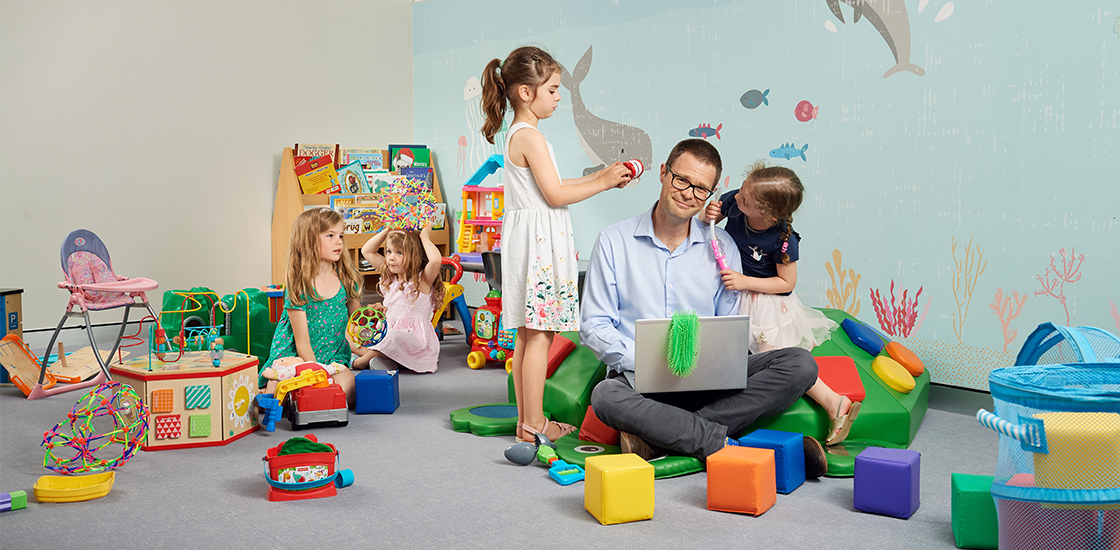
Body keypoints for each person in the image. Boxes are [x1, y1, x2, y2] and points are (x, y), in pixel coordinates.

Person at [581, 139, 826, 475]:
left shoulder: (721, 246)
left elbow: (729, 327)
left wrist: (712, 364)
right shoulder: (613, 241)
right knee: (606, 396)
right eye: (682, 180)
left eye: (701, 189)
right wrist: (648, 363)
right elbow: (594, 325)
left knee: (800, 364)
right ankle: (728, 443)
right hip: (638, 381)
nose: (688, 194)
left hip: (707, 385)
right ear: (664, 173)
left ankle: (661, 439)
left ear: (711, 195)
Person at [480, 45, 633, 444]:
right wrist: (601, 182)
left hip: (530, 236)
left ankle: (527, 421)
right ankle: (534, 424)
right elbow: (555, 195)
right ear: (525, 92)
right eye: (551, 89)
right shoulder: (529, 135)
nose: (558, 96)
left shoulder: (522, 134)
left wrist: (603, 176)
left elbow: (557, 187)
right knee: (539, 334)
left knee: (529, 335)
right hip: (538, 240)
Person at [703, 161, 856, 446]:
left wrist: (746, 282)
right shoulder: (738, 200)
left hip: (764, 301)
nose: (735, 198)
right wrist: (707, 213)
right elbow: (707, 220)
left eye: (745, 200)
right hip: (734, 290)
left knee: (770, 353)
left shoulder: (783, 240)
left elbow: (786, 284)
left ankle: (834, 401)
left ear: (769, 214)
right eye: (741, 191)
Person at [261, 207, 363, 406]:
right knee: (281, 395)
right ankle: (265, 391)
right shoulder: (300, 286)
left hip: (333, 359)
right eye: (330, 235)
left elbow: (356, 325)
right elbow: (302, 344)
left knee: (347, 393)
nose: (339, 241)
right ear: (308, 241)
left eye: (340, 235)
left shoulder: (346, 278)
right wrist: (318, 373)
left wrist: (371, 329)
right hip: (298, 358)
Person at [355, 221, 444, 373]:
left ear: (414, 255)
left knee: (393, 337)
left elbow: (435, 260)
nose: (390, 258)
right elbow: (367, 251)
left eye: (399, 253)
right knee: (353, 329)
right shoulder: (390, 277)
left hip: (412, 339)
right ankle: (385, 358)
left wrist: (425, 237)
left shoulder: (422, 280)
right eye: (389, 251)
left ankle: (362, 360)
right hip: (385, 331)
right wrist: (388, 230)